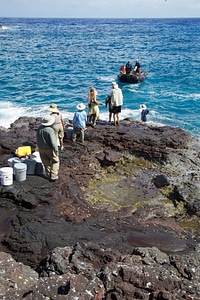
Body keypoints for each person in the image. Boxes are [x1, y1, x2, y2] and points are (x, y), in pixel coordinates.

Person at [36, 115, 60, 182]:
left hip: (41, 149)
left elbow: (37, 139)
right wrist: (56, 150)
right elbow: (53, 142)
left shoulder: (40, 128)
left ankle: (48, 175)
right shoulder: (50, 130)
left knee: (46, 163)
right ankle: (53, 176)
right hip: (49, 149)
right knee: (55, 161)